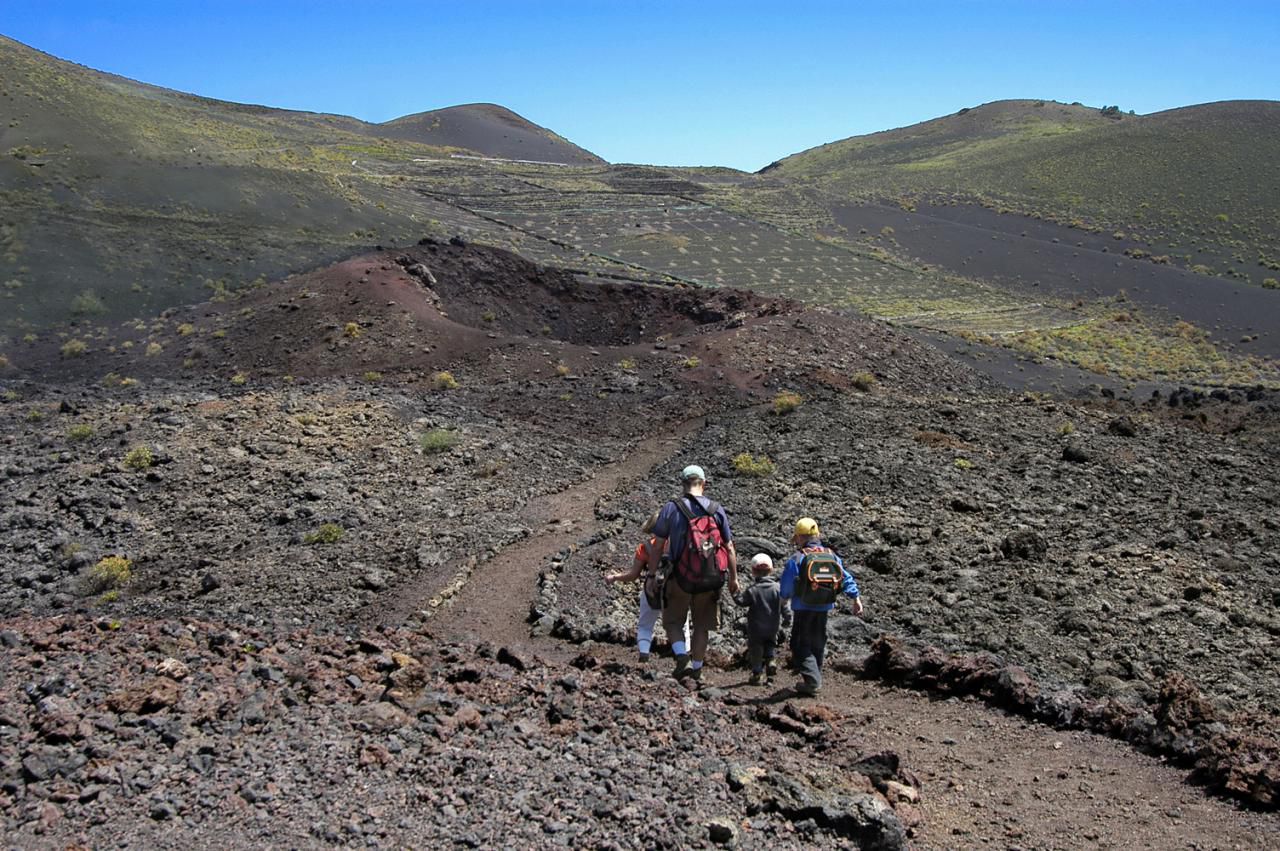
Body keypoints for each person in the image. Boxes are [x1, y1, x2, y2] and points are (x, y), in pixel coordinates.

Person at [649, 464, 739, 682]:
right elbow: (729, 547)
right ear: (704, 484)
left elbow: (658, 544)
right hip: (711, 579)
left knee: (672, 622)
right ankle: (697, 670)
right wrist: (733, 579)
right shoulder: (716, 509)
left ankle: (682, 658)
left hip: (680, 577)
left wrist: (652, 574)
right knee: (702, 626)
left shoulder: (671, 508)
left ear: (682, 485)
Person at [778, 517, 863, 696]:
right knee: (818, 642)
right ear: (817, 535)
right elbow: (845, 577)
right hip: (824, 606)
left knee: (799, 644)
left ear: (799, 537)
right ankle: (814, 678)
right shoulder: (831, 555)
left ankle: (812, 681)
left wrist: (783, 599)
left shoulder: (798, 557)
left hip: (803, 607)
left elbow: (787, 584)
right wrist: (855, 598)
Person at [604, 511, 688, 662]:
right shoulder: (678, 545)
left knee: (645, 624)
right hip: (676, 589)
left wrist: (615, 577)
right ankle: (683, 655)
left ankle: (644, 653)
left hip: (652, 589)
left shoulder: (644, 548)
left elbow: (633, 575)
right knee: (681, 624)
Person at [735, 553, 788, 685]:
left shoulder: (753, 590)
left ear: (753, 572)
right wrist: (787, 619)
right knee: (770, 643)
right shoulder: (778, 588)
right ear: (771, 570)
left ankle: (757, 674)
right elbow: (785, 606)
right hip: (773, 625)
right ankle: (770, 661)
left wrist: (734, 593)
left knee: (756, 649)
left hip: (756, 627)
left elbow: (742, 601)